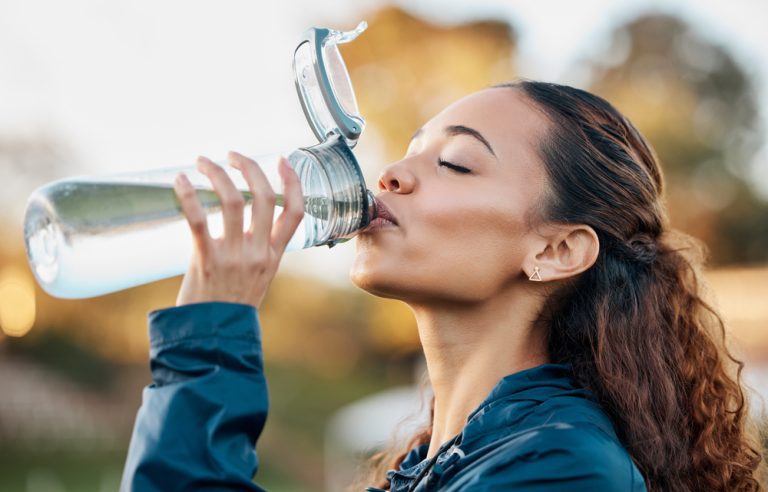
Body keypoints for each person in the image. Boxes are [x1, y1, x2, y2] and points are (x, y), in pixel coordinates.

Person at [120, 80, 766, 491]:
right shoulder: (436, 463)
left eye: (455, 162)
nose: (392, 173)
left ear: (556, 249)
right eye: (408, 150)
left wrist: (209, 340)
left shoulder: (562, 469)